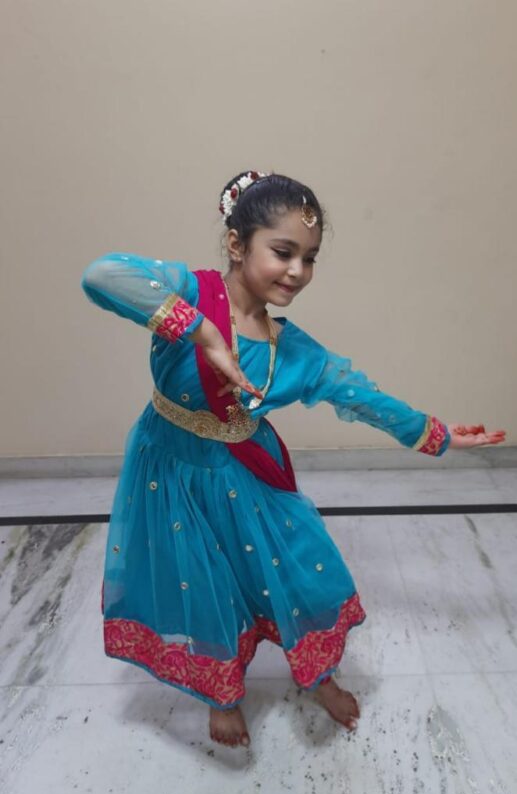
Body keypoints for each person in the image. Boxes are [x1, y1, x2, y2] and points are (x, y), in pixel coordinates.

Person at [81, 171, 506, 749]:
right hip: (169, 468)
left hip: (245, 471)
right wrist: (203, 333)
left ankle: (319, 676)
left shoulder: (294, 351)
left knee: (299, 572)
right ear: (237, 244)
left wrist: (437, 434)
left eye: (309, 258)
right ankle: (222, 696)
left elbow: (366, 399)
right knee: (199, 582)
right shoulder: (190, 293)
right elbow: (101, 275)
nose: (297, 272)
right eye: (283, 252)